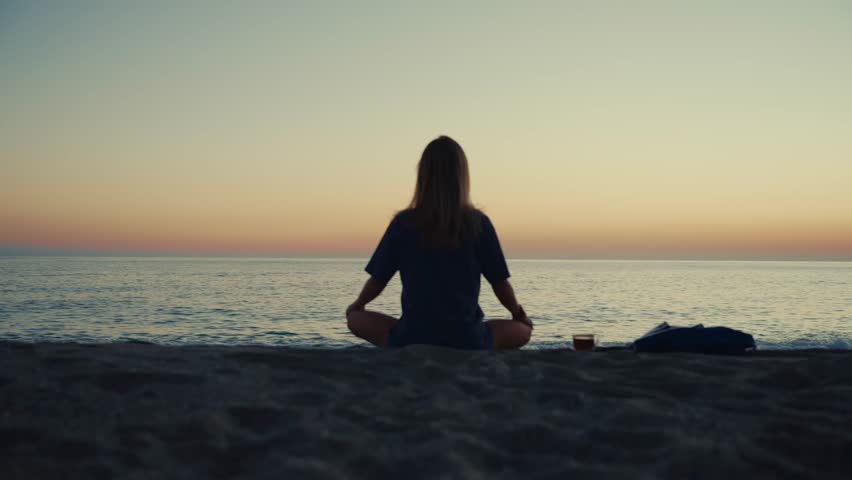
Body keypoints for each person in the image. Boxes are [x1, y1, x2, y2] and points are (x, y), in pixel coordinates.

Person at [346, 136, 532, 350]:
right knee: (523, 331)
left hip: (413, 336)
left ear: (423, 176)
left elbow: (378, 280)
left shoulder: (404, 223)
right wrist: (518, 314)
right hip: (467, 339)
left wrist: (358, 305)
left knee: (355, 319)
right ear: (462, 176)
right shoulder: (478, 224)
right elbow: (500, 283)